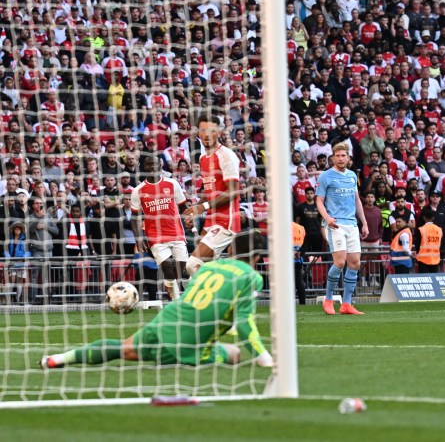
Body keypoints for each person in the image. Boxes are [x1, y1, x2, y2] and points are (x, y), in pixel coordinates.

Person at [41, 230, 273, 369]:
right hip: (188, 343)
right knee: (234, 354)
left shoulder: (210, 268)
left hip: (168, 319)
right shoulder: (251, 277)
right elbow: (244, 322)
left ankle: (57, 359)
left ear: (231, 251)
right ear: (258, 257)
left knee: (123, 348)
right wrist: (264, 358)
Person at [182, 114, 241, 277]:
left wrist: (203, 206)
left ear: (219, 132)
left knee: (193, 265)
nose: (206, 134)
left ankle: (213, 299)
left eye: (211, 130)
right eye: (203, 130)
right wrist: (197, 209)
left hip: (226, 221)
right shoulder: (202, 158)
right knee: (207, 268)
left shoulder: (226, 155)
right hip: (211, 220)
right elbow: (209, 191)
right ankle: (225, 297)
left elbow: (233, 191)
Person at [316, 142, 369, 316]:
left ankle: (346, 304)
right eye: (337, 156)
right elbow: (319, 201)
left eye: (343, 155)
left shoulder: (353, 176)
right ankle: (328, 299)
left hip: (352, 224)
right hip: (335, 224)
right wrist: (327, 219)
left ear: (348, 157)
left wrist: (364, 222)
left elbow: (357, 200)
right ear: (333, 157)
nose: (340, 158)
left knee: (355, 263)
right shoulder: (325, 176)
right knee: (339, 262)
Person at [130, 154, 188, 300]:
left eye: (155, 164)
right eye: (149, 165)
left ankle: (190, 298)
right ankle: (177, 303)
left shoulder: (172, 184)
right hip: (155, 236)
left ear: (161, 166)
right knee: (167, 268)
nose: (153, 167)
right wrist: (139, 239)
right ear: (145, 167)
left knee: (182, 272)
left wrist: (190, 219)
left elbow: (183, 206)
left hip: (176, 232)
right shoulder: (138, 190)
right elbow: (135, 217)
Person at [292, 221, 307, 305]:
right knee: (299, 282)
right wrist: (300, 253)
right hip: (298, 259)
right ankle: (302, 302)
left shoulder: (280, 226)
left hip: (285, 260)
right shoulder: (300, 228)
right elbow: (305, 244)